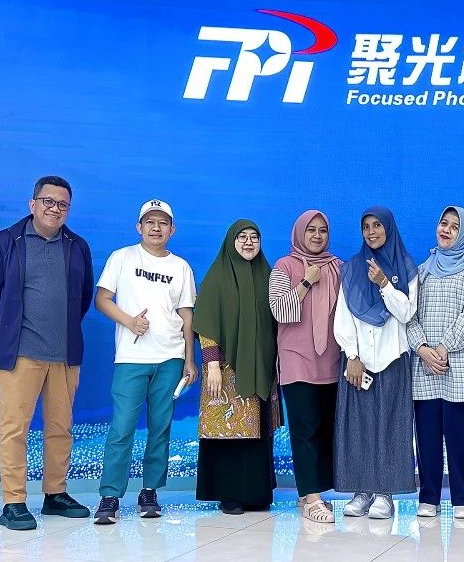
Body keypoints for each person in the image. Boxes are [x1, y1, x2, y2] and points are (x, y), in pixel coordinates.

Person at [0, 175, 94, 531]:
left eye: (62, 204)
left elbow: (83, 296)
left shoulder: (77, 246)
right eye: (48, 201)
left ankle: (55, 494)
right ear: (33, 204)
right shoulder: (7, 241)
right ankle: (13, 501)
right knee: (14, 429)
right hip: (19, 354)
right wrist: (10, 330)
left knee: (60, 428)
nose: (54, 209)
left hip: (64, 354)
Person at [92, 200, 198, 524]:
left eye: (162, 223)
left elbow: (187, 315)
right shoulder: (122, 258)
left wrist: (190, 360)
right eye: (150, 222)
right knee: (122, 427)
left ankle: (150, 491)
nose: (156, 228)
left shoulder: (181, 267)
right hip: (132, 357)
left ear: (172, 229)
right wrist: (129, 321)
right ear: (139, 227)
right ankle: (110, 495)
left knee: (160, 427)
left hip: (170, 358)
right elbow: (102, 299)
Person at [333, 207, 419, 521]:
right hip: (359, 362)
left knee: (391, 426)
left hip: (392, 357)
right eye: (366, 227)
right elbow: (343, 315)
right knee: (359, 427)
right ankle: (362, 490)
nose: (372, 232)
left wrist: (384, 283)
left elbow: (407, 312)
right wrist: (351, 356)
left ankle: (385, 493)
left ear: (389, 229)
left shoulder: (407, 267)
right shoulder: (352, 268)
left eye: (377, 226)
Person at [193, 220, 280, 515]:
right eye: (242, 237)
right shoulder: (217, 276)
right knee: (229, 430)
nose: (248, 242)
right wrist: (212, 365)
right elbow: (206, 323)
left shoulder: (267, 275)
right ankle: (229, 494)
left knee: (257, 431)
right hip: (226, 370)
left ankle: (255, 492)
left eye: (254, 237)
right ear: (231, 241)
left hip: (261, 368)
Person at [407, 206, 464, 519]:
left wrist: (443, 347)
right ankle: (428, 497)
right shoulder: (423, 269)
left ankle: (463, 499)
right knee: (426, 437)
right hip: (426, 365)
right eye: (444, 223)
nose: (447, 230)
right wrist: (423, 349)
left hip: (460, 365)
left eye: (455, 227)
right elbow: (409, 316)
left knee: (459, 437)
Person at [269, 210, 343, 524]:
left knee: (325, 428)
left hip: (332, 360)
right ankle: (312, 498)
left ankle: (308, 492)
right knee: (305, 428)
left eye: (322, 230)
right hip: (296, 359)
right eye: (311, 230)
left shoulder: (338, 267)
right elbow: (279, 310)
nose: (316, 236)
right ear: (300, 232)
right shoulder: (284, 266)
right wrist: (305, 283)